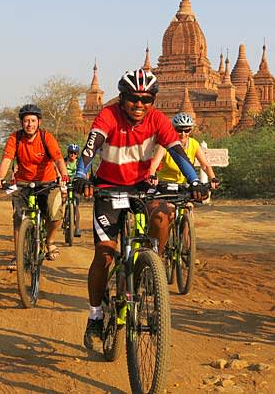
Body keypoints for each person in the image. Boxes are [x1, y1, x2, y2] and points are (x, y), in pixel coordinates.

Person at [73, 69, 209, 349]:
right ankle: (95, 316)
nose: (139, 105)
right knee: (105, 255)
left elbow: (178, 153)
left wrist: (195, 180)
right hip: (108, 188)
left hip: (143, 188)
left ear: (153, 101)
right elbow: (90, 149)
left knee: (162, 216)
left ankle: (151, 266)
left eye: (146, 99)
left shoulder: (158, 120)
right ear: (122, 98)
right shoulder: (108, 116)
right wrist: (80, 174)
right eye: (133, 98)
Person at [0, 104, 69, 270]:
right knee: (18, 218)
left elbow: (58, 159)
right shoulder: (15, 138)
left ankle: (49, 241)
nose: (30, 124)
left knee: (54, 212)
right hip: (23, 183)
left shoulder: (46, 138)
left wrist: (64, 175)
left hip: (47, 183)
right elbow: (7, 159)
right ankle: (19, 256)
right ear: (22, 122)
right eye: (26, 121)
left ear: (39, 122)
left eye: (33, 121)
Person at [148, 112, 221, 189]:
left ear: (190, 130)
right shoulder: (165, 145)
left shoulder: (194, 144)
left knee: (194, 200)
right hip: (166, 185)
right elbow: (154, 164)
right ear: (173, 129)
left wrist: (213, 178)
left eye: (187, 130)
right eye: (179, 130)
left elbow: (205, 166)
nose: (183, 134)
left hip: (186, 185)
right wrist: (152, 176)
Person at [65, 143, 82, 238]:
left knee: (76, 206)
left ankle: (77, 228)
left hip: (76, 186)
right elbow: (58, 171)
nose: (73, 155)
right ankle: (64, 219)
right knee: (63, 203)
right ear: (68, 153)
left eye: (75, 153)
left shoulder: (79, 163)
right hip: (65, 185)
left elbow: (84, 174)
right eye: (71, 152)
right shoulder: (64, 161)